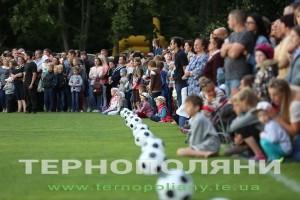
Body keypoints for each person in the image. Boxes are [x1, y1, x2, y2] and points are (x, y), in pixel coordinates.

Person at [221, 9, 255, 96]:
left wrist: (227, 47)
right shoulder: (232, 35)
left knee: (239, 104)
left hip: (239, 77)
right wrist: (231, 47)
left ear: (235, 20)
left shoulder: (245, 34)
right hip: (228, 76)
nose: (227, 21)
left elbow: (233, 54)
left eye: (229, 19)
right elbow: (222, 53)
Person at [268, 79, 300, 161]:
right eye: (270, 95)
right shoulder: (288, 91)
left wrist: (276, 117)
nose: (272, 98)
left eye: (275, 94)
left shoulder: (295, 105)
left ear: (284, 93)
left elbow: (294, 131)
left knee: (290, 156)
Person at [230, 88, 266, 160]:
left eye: (239, 103)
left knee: (242, 128)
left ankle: (259, 154)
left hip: (267, 140)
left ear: (245, 101)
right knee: (229, 151)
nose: (239, 105)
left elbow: (233, 126)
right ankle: (250, 151)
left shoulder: (254, 112)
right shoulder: (251, 111)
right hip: (263, 138)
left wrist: (239, 115)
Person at [274, 14, 294, 79]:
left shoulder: (288, 39)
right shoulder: (286, 39)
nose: (279, 27)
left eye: (281, 24)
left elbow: (282, 62)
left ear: (286, 25)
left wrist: (270, 64)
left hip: (284, 77)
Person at [170, 36, 188, 106]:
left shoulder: (181, 54)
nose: (170, 45)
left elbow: (184, 67)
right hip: (177, 80)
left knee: (181, 100)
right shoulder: (177, 54)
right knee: (178, 99)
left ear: (176, 44)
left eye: (171, 43)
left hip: (181, 81)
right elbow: (177, 67)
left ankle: (183, 116)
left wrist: (184, 76)